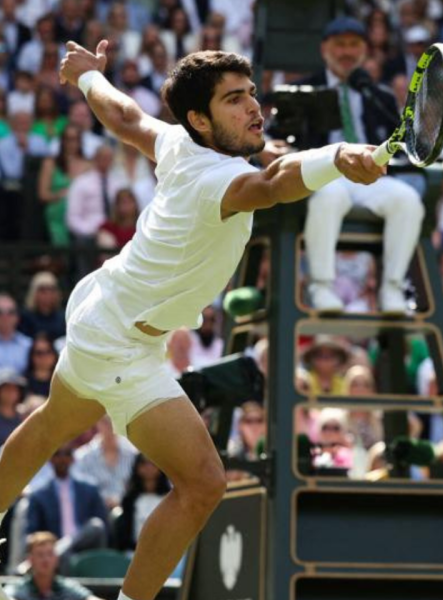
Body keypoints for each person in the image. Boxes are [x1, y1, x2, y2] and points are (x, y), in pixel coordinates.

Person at [0, 40, 386, 600]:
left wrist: (86, 76)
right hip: (120, 343)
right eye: (234, 100)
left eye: (251, 94)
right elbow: (275, 185)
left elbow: (126, 116)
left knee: (54, 421)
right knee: (203, 484)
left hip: (104, 309)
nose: (253, 106)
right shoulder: (216, 182)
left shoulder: (181, 143)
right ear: (201, 119)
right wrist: (338, 155)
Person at [294, 17, 424, 315]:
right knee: (330, 196)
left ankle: (392, 289)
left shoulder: (378, 94)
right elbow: (281, 140)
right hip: (324, 174)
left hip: (370, 176)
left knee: (408, 201)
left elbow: (401, 143)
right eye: (340, 44)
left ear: (365, 50)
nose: (347, 52)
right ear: (324, 48)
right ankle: (321, 286)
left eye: (354, 45)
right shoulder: (302, 90)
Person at [2, 532, 102, 600]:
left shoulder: (67, 587)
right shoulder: (17, 589)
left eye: (50, 554)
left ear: (56, 558)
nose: (46, 560)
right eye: (40, 555)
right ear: (30, 560)